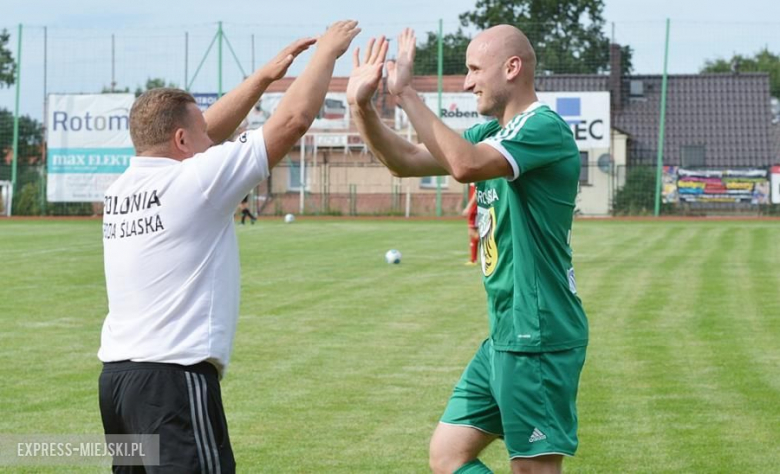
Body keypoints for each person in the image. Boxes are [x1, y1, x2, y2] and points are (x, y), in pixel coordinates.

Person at [98, 20, 360, 473]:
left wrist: (261, 80)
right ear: (181, 141)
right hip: (173, 383)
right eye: (201, 133)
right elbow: (294, 121)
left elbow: (195, 134)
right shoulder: (195, 181)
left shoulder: (122, 188)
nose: (211, 141)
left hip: (119, 384)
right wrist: (327, 54)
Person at [346, 27, 588, 474]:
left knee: (532, 468)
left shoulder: (542, 127)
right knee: (448, 455)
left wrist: (406, 94)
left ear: (511, 68)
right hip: (505, 335)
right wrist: (360, 107)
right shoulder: (491, 131)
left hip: (538, 332)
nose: (467, 81)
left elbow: (465, 165)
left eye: (475, 69)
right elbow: (405, 162)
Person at [461, 182, 478, 265]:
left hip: (474, 208)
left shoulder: (475, 176)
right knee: (474, 233)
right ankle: (473, 259)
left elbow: (477, 192)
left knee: (472, 232)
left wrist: (468, 207)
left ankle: (493, 243)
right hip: (478, 207)